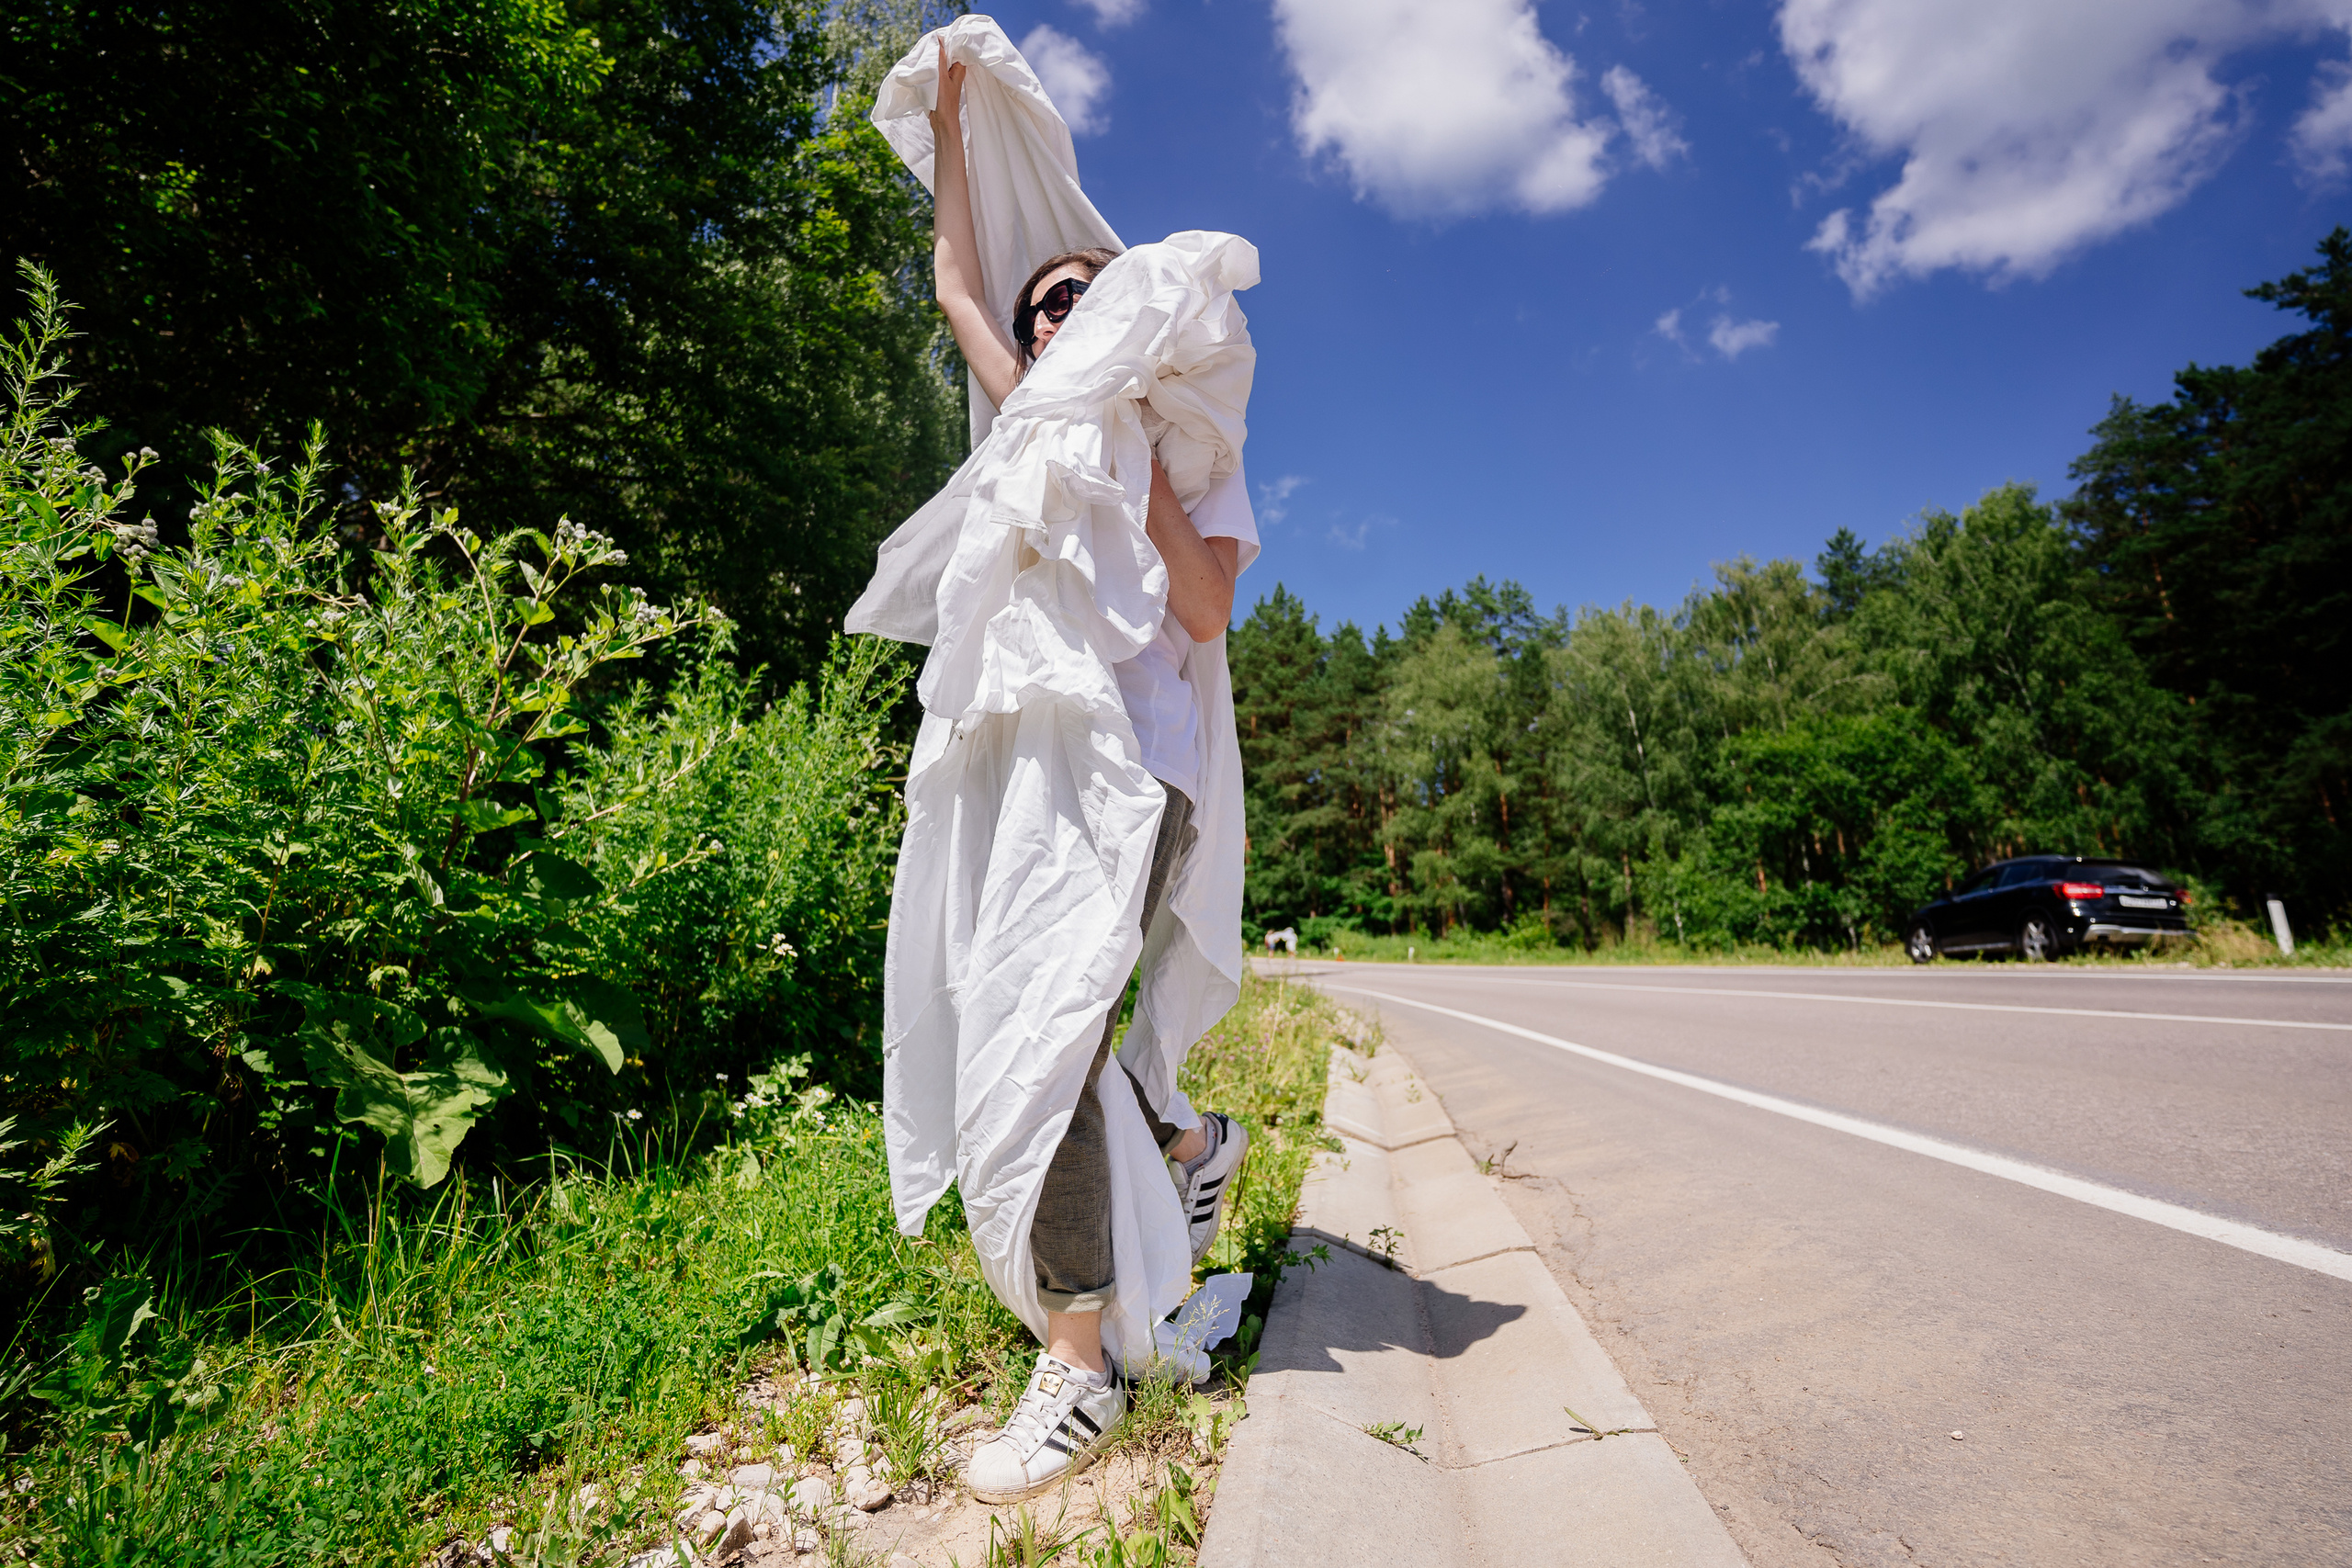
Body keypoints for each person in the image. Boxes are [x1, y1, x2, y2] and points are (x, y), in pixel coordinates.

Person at [923, 42, 1259, 1503]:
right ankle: (1192, 1136)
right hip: (1042, 776)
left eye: (1083, 295)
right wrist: (949, 116)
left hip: (1144, 781)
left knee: (1046, 1032)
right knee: (1011, 1013)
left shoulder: (1186, 444)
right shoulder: (1024, 427)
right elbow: (954, 285)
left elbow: (1202, 614)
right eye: (1041, 302)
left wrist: (1128, 439)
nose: (1056, 309)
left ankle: (1077, 1364)